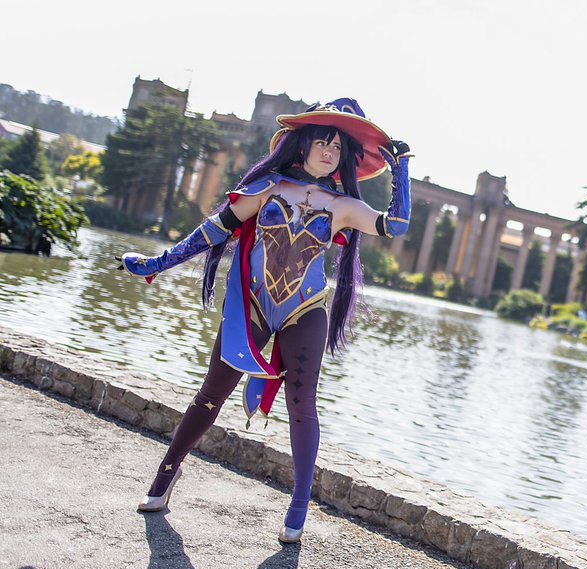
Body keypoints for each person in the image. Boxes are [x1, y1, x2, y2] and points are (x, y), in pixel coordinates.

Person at [118, 98, 411, 543]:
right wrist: (159, 263)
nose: (329, 151)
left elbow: (396, 225)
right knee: (211, 394)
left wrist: (402, 170)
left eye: (338, 147)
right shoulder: (267, 188)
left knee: (302, 405)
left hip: (304, 310)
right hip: (253, 305)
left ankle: (298, 506)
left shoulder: (345, 205)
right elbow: (213, 230)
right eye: (323, 141)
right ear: (303, 143)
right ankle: (166, 474)